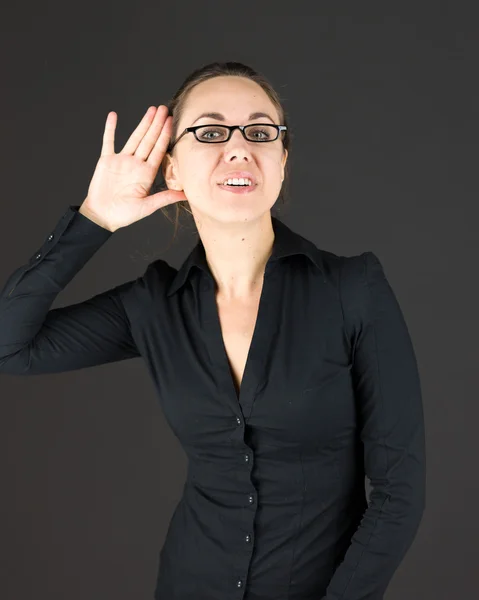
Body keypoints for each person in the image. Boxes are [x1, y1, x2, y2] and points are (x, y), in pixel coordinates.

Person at [0, 61, 426, 600]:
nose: (239, 146)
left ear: (282, 159)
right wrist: (94, 218)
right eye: (209, 131)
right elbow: (10, 346)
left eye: (260, 130)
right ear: (171, 168)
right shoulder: (153, 306)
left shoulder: (352, 289)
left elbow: (398, 492)